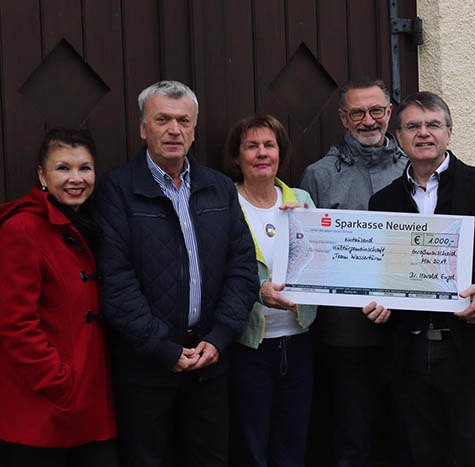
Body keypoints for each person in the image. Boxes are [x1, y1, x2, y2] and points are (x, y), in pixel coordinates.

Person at [364, 92, 475, 466]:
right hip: (409, 353)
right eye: (413, 126)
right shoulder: (383, 201)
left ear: (449, 132)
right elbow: (379, 271)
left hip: (472, 350)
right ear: (398, 137)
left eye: (433, 125)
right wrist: (378, 301)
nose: (423, 133)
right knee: (424, 456)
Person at [94, 80, 258, 467]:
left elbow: (242, 268)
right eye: (162, 119)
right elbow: (115, 282)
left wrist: (219, 338)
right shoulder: (117, 190)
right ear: (142, 128)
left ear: (195, 128)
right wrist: (161, 348)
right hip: (146, 365)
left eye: (183, 120)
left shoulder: (218, 188)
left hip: (209, 361)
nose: (174, 130)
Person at [299, 78, 407, 466]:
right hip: (346, 334)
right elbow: (308, 254)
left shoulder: (416, 168)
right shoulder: (319, 175)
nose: (368, 120)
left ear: (389, 113)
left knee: (408, 436)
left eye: (376, 110)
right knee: (351, 438)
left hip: (408, 328)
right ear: (343, 118)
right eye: (357, 112)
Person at [0, 128, 118, 466]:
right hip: (44, 410)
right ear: (41, 174)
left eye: (85, 168)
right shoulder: (21, 229)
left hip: (90, 407)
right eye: (63, 168)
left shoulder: (87, 225)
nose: (76, 178)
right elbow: (15, 324)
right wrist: (59, 383)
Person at [222, 114, 316, 467]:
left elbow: (325, 260)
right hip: (249, 345)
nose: (262, 153)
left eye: (269, 145)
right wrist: (256, 290)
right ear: (237, 156)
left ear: (280, 153)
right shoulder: (227, 201)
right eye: (251, 146)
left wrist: (306, 225)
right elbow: (217, 266)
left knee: (292, 443)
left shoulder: (302, 199)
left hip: (300, 340)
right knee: (251, 445)